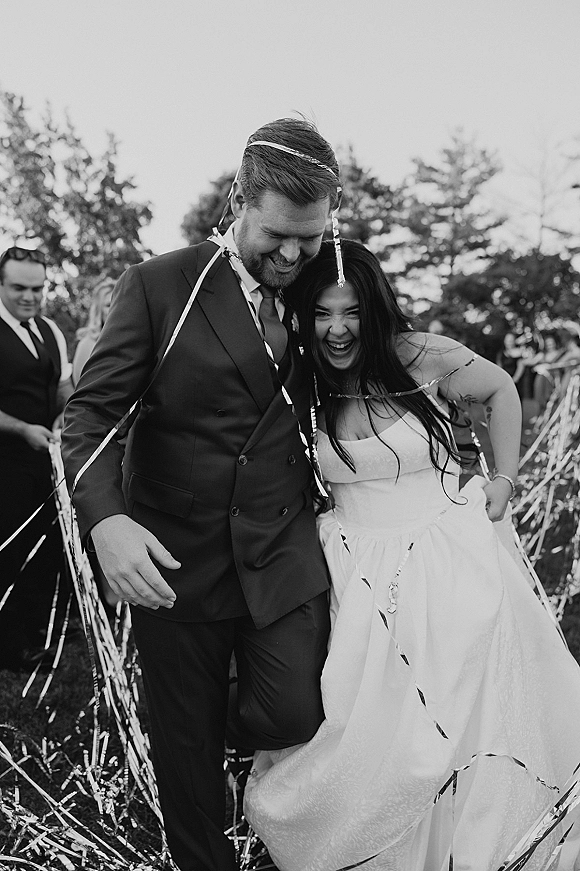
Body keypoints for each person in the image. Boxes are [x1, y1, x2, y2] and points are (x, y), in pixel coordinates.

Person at [244, 240, 580, 871]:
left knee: (462, 709)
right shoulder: (301, 373)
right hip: (353, 564)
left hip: (443, 554)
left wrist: (504, 479)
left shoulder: (419, 354)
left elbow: (502, 390)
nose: (337, 329)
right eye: (322, 313)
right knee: (370, 716)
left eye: (351, 312)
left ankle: (476, 846)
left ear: (374, 311)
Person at [61, 118, 340, 871]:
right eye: (278, 235)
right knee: (186, 757)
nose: (290, 254)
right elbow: (87, 418)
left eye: (308, 239)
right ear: (239, 201)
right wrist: (107, 521)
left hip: (283, 553)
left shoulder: (328, 290)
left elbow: (384, 356)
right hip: (175, 562)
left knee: (295, 711)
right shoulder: (161, 285)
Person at [0, 246, 73, 670]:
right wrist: (22, 429)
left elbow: (63, 387)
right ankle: (11, 647)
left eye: (37, 288)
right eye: (19, 288)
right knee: (8, 551)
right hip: (5, 462)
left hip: (45, 462)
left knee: (44, 549)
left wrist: (64, 416)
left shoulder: (50, 330)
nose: (30, 297)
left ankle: (37, 635)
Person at [71, 276, 115, 385]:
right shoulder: (88, 343)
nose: (114, 309)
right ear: (99, 310)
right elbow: (80, 386)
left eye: (117, 304)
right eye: (108, 305)